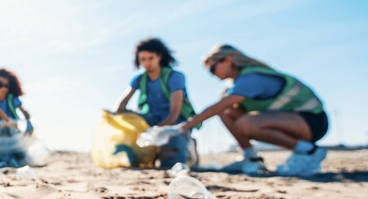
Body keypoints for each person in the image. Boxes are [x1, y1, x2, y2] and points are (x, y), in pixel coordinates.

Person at [175, 44, 329, 176]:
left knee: (244, 122)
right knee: (226, 111)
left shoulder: (251, 78)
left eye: (213, 68)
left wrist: (180, 128)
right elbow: (222, 108)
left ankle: (309, 152)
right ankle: (251, 157)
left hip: (312, 121)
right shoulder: (234, 85)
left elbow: (216, 107)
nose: (212, 74)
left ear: (227, 61)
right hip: (291, 121)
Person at [113, 38, 197, 168]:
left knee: (171, 164)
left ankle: (188, 146)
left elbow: (174, 112)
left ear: (159, 57)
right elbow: (120, 106)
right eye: (142, 59)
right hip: (150, 119)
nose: (147, 63)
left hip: (173, 123)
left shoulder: (175, 77)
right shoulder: (139, 79)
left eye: (150, 58)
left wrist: (155, 132)